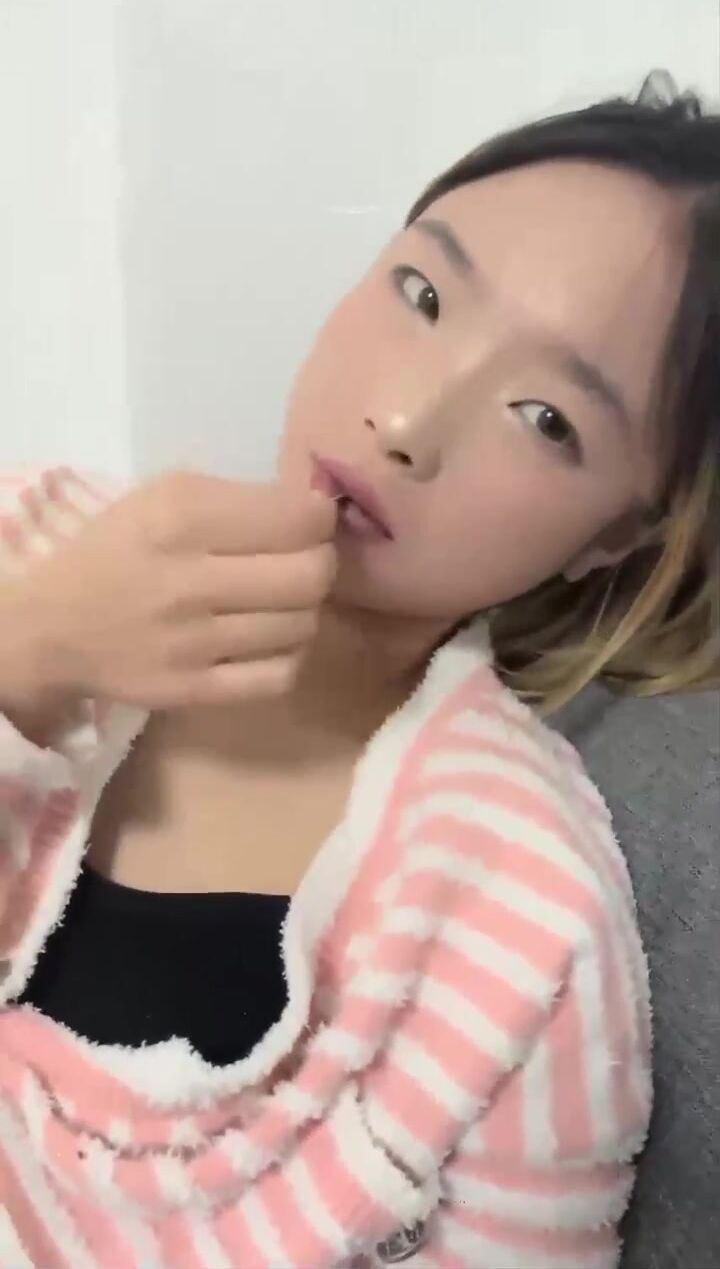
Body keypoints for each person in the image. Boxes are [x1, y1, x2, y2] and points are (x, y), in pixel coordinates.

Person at [0, 72, 717, 1268]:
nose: (408, 422)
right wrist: (27, 658)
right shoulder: (29, 543)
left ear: (613, 538)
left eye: (546, 418)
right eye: (422, 292)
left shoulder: (527, 913)